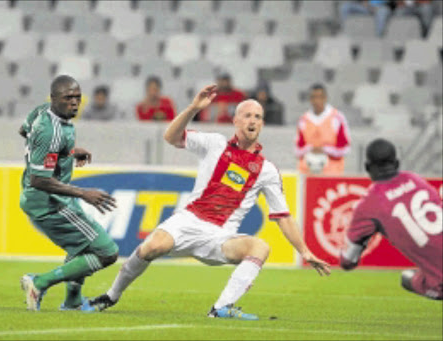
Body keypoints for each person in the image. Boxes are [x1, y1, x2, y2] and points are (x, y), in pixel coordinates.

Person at [89, 85, 331, 320]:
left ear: (263, 124)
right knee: (151, 247)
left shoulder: (267, 170)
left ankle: (221, 308)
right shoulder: (214, 143)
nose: (253, 120)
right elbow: (171, 137)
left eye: (258, 116)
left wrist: (305, 251)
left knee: (260, 247)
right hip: (188, 221)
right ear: (236, 121)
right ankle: (111, 296)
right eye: (247, 115)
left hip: (219, 236)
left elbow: (283, 216)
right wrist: (194, 108)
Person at [18, 75, 120, 312]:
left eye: (77, 97)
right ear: (54, 98)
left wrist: (66, 152)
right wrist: (83, 193)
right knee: (107, 253)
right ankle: (40, 282)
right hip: (50, 202)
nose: (74, 102)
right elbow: (39, 179)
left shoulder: (40, 112)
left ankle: (73, 302)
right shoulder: (50, 131)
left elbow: (25, 133)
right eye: (68, 98)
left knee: (84, 248)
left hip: (47, 199)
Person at [340, 138, 442, 300]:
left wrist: (355, 248)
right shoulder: (417, 181)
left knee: (408, 278)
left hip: (440, 281)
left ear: (367, 167)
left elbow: (347, 262)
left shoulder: (368, 205)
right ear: (396, 163)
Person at [295, 84, 351, 176]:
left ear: (325, 98)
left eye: (320, 97)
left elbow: (345, 148)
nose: (317, 101)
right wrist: (311, 149)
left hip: (332, 173)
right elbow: (297, 149)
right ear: (310, 99)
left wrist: (325, 150)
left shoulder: (337, 118)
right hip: (307, 173)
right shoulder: (303, 120)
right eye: (314, 97)